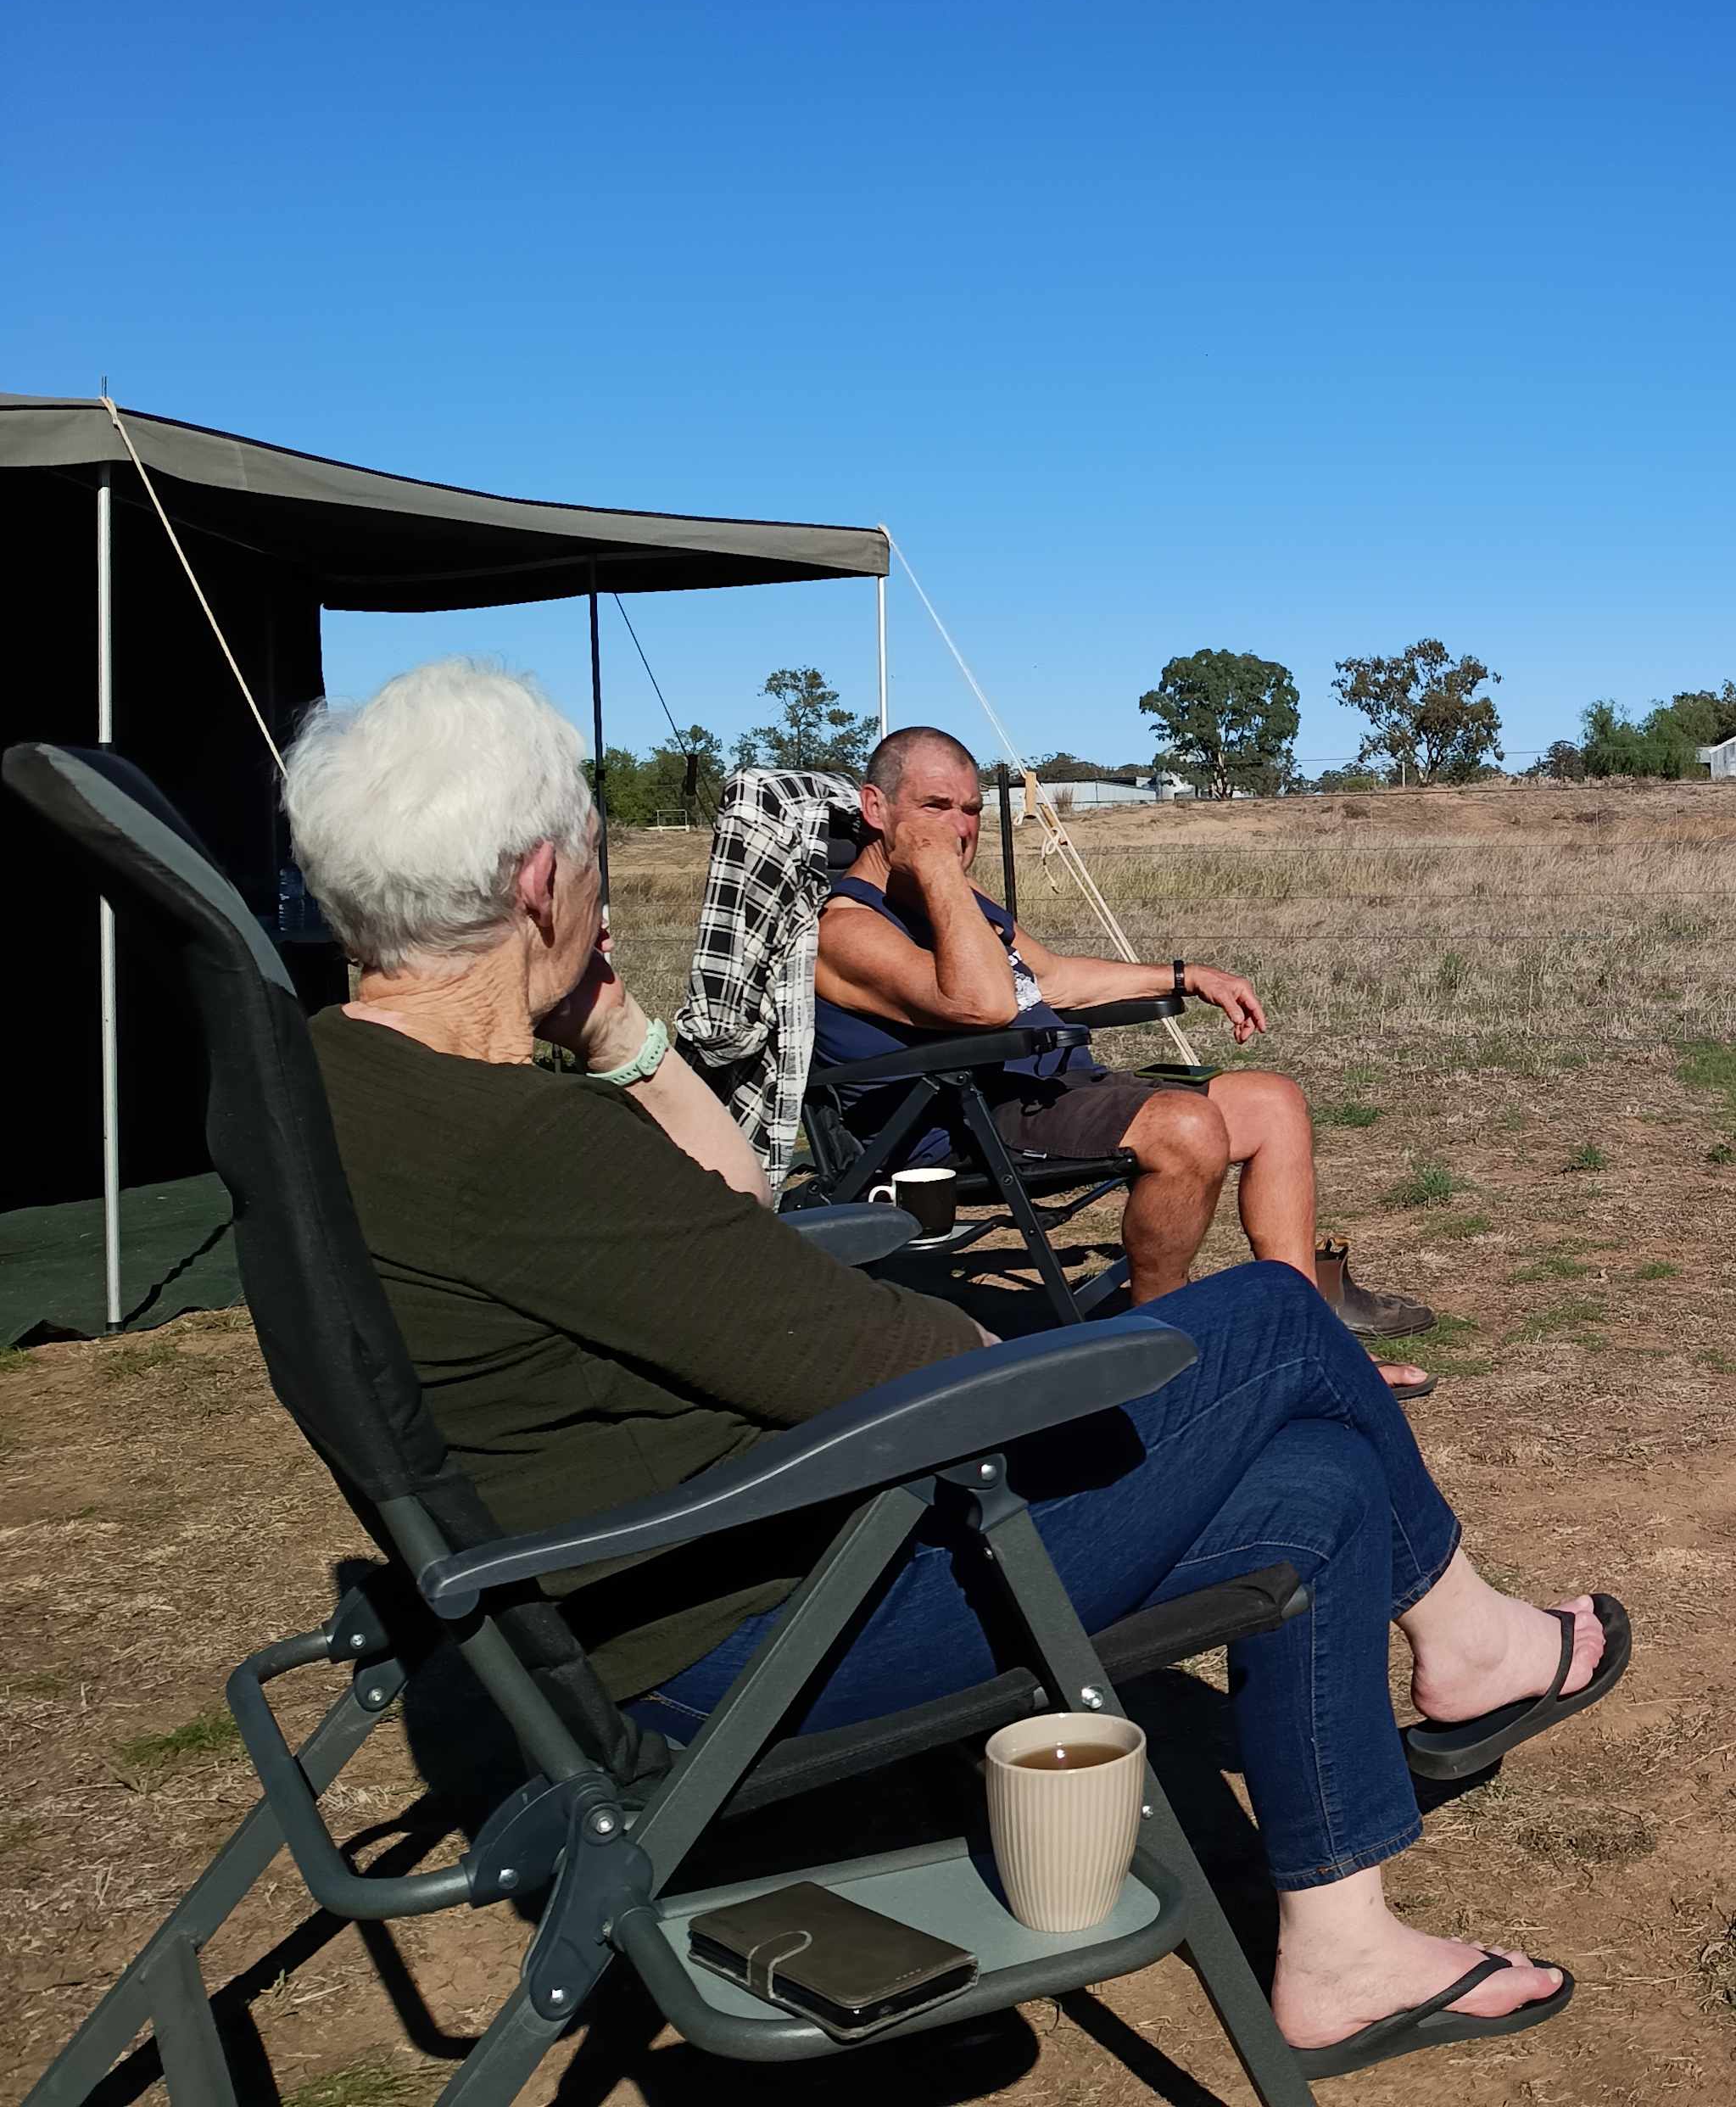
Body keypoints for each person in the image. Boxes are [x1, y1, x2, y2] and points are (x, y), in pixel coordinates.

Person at [281, 661, 1625, 2075]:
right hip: (754, 1640)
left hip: (629, 1593)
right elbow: (935, 1363)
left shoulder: (340, 1082)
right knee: (1278, 1327)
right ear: (546, 877)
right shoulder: (529, 1156)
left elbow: (728, 1211)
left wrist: (614, 1032)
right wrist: (1026, 1371)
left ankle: (1344, 1949)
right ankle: (1472, 1639)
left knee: (1317, 1485)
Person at [816, 726, 1435, 1365]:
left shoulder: (957, 902)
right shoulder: (849, 930)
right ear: (875, 808)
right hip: (960, 1118)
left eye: (971, 810)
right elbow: (985, 1003)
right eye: (934, 808)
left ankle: (1312, 1342)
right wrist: (941, 870)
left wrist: (1184, 975)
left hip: (1049, 1092)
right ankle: (1161, 1352)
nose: (959, 829)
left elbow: (1049, 977)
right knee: (1187, 1128)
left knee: (1273, 1102)